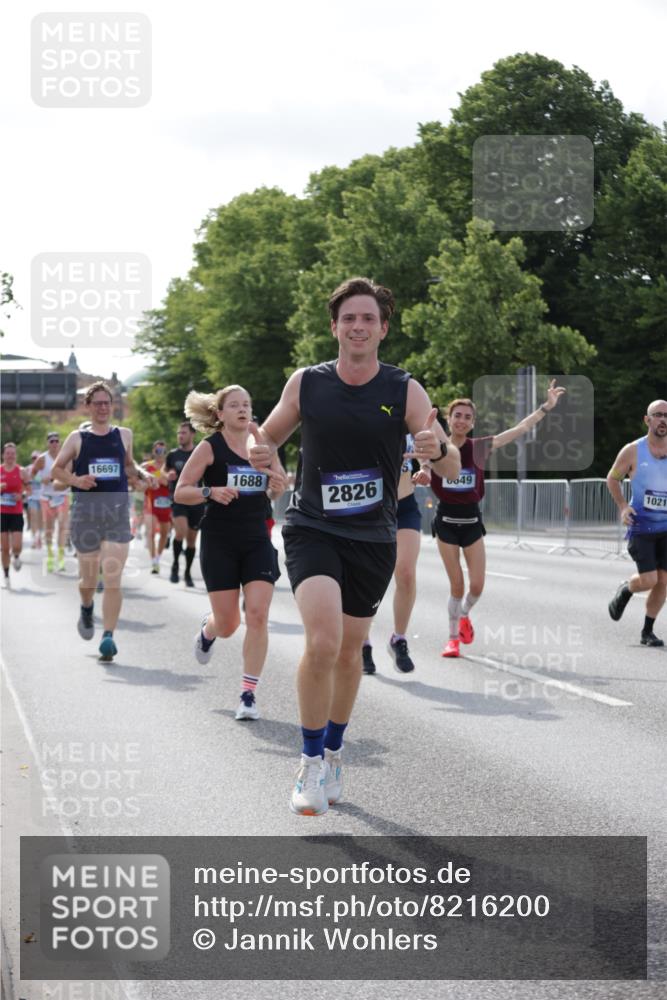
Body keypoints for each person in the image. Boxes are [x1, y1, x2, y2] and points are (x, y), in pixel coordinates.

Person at [248, 276, 461, 815]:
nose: (358, 326)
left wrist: (437, 449)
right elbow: (267, 435)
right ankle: (311, 761)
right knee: (321, 642)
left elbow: (452, 464)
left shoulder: (405, 390)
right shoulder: (308, 383)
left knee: (348, 653)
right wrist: (258, 449)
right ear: (334, 327)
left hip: (373, 535)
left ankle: (335, 748)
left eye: (368, 318)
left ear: (383, 329)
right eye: (349, 318)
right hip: (313, 528)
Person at [430, 380, 566, 658]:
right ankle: (452, 639)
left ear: (473, 422)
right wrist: (421, 473)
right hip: (446, 522)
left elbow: (519, 430)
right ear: (449, 418)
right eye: (457, 415)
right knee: (457, 585)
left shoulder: (480, 447)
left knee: (477, 586)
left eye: (468, 417)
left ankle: (464, 614)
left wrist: (545, 407)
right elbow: (422, 465)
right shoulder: (437, 446)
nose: (462, 420)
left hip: (471, 523)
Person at [175, 385, 287, 720]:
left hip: (256, 538)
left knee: (257, 615)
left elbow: (276, 485)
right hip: (220, 540)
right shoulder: (210, 448)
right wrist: (211, 491)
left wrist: (277, 486)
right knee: (228, 623)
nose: (242, 410)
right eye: (234, 405)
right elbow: (181, 492)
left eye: (247, 404)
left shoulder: (264, 446)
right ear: (220, 414)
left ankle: (248, 695)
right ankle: (208, 631)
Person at [52, 381, 150, 661]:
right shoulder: (77, 438)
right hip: (86, 514)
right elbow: (58, 470)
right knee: (89, 578)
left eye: (107, 402)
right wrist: (76, 480)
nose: (103, 407)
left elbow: (128, 465)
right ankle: (86, 606)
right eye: (98, 403)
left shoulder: (124, 435)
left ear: (113, 405)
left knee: (113, 578)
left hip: (117, 513)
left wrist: (142, 475)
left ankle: (108, 636)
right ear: (89, 406)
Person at [361, 433, 428, 674]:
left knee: (406, 573)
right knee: (367, 578)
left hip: (405, 506)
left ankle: (398, 639)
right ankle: (363, 642)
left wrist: (426, 468)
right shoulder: (370, 415)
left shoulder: (412, 420)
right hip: (372, 508)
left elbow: (428, 453)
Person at [607, 400, 667, 646]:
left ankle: (647, 631)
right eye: (658, 415)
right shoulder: (633, 450)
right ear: (647, 420)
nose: (663, 420)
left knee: (664, 580)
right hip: (641, 526)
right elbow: (612, 478)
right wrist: (623, 506)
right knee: (649, 580)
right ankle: (627, 588)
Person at [166, 421, 204, 587]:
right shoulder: (173, 455)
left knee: (191, 540)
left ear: (192, 434)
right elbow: (166, 471)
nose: (180, 436)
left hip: (197, 501)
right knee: (180, 531)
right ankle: (175, 565)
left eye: (183, 433)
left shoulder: (200, 453)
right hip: (179, 499)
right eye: (178, 433)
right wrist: (169, 474)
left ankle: (187, 572)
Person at [32, 431, 70, 572]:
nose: (54, 444)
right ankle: (49, 555)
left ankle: (60, 558)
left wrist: (59, 479)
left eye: (56, 441)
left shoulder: (65, 457)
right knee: (49, 529)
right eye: (51, 441)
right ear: (47, 443)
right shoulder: (42, 459)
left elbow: (70, 473)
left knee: (62, 526)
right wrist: (41, 480)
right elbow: (32, 475)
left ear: (59, 443)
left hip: (62, 495)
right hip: (46, 497)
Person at [1, 442, 30, 587]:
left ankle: (17, 556)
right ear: (3, 455)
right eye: (8, 453)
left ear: (15, 456)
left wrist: (22, 496)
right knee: (5, 547)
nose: (10, 456)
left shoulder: (21, 471)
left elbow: (29, 490)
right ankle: (6, 576)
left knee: (16, 545)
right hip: (2, 513)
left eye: (13, 453)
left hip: (16, 512)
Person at [142, 441, 172, 574]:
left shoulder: (170, 468)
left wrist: (162, 479)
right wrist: (149, 483)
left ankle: (158, 557)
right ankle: (153, 561)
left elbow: (170, 482)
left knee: (164, 534)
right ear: (153, 452)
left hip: (166, 504)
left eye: (163, 452)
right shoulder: (145, 467)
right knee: (151, 532)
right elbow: (140, 484)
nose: (160, 454)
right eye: (157, 451)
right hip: (150, 503)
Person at [26, 450, 44, 548]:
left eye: (36, 458)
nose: (35, 460)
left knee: (40, 519)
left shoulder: (43, 469)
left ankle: (39, 537)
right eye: (33, 458)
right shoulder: (28, 469)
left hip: (42, 497)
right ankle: (34, 539)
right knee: (33, 516)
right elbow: (26, 481)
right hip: (32, 497)